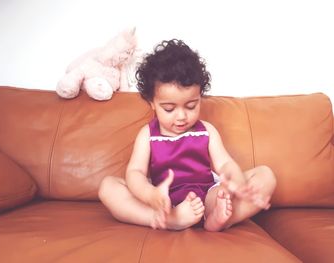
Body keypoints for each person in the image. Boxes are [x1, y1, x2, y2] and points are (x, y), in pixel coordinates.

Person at [98, 39, 276, 231]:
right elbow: (136, 173)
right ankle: (171, 220)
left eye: (191, 106)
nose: (182, 116)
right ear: (152, 103)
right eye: (169, 109)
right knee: (108, 187)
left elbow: (225, 164)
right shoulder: (147, 135)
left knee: (266, 176)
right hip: (164, 202)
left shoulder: (206, 131)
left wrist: (236, 183)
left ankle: (219, 218)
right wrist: (151, 195)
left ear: (200, 97)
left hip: (208, 197)